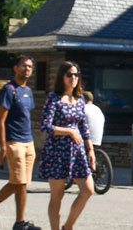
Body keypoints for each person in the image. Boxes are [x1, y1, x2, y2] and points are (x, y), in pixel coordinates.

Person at [0, 56, 40, 230]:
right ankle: (20, 223)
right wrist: (3, 147)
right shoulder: (8, 90)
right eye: (23, 66)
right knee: (19, 183)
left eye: (30, 67)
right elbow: (0, 120)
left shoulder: (27, 90)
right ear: (15, 68)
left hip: (28, 142)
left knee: (19, 182)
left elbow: (25, 117)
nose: (27, 69)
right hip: (14, 142)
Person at [38, 62, 95, 230]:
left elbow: (83, 126)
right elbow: (45, 126)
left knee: (88, 190)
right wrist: (69, 132)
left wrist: (90, 149)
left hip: (77, 152)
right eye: (69, 75)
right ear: (61, 77)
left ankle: (68, 226)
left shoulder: (80, 99)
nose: (73, 78)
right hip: (56, 152)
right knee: (57, 195)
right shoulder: (53, 98)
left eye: (76, 75)